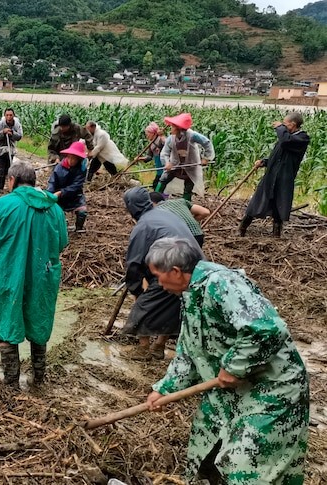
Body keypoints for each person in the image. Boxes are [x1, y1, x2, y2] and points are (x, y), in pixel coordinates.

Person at [145, 237, 309, 484]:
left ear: (176, 272)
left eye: (158, 275)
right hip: (228, 392)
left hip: (271, 390)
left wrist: (234, 366)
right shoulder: (191, 294)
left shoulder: (222, 284)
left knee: (250, 466)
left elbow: (267, 329)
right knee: (206, 451)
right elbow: (190, 353)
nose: (158, 283)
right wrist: (164, 390)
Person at [0, 163, 68, 390]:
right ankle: (38, 379)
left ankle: (10, 383)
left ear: (12, 180)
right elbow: (62, 243)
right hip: (43, 275)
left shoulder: (1, 205)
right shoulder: (54, 208)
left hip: (9, 273)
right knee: (39, 319)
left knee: (8, 320)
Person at [121, 187, 202, 360]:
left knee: (143, 306)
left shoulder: (143, 226)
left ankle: (143, 349)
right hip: (195, 267)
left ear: (131, 207)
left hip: (175, 267)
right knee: (173, 306)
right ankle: (159, 346)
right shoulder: (165, 214)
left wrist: (136, 291)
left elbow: (134, 265)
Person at [240, 112, 310, 238]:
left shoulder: (301, 138)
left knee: (279, 206)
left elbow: (285, 141)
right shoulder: (286, 138)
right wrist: (264, 162)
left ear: (293, 125)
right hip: (271, 176)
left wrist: (279, 127)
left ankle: (276, 235)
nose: (283, 126)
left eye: (285, 124)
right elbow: (277, 156)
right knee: (256, 202)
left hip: (284, 179)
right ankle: (242, 229)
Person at [156, 112, 214, 201]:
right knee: (163, 180)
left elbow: (206, 143)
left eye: (172, 126)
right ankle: (155, 200)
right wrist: (167, 163)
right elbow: (164, 153)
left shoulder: (192, 135)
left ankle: (186, 204)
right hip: (175, 164)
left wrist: (206, 158)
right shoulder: (171, 138)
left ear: (178, 128)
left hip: (191, 165)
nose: (170, 128)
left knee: (188, 187)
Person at [47, 140, 89, 232]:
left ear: (79, 159)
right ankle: (61, 223)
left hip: (75, 196)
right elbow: (52, 182)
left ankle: (78, 228)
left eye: (74, 158)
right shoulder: (59, 167)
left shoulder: (82, 169)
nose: (71, 160)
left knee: (82, 211)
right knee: (54, 211)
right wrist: (50, 194)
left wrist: (61, 192)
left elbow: (76, 186)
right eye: (69, 157)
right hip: (60, 198)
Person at [0, 108, 23, 194]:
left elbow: (19, 136)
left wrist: (12, 133)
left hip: (11, 150)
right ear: (4, 116)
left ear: (13, 116)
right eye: (7, 115)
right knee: (1, 169)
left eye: (10, 115)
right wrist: (3, 132)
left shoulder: (17, 125)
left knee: (8, 170)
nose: (9, 117)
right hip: (0, 150)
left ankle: (10, 187)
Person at [139, 122, 167, 190]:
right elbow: (149, 157)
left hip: (164, 164)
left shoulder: (160, 140)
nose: (147, 136)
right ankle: (160, 197)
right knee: (157, 183)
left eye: (147, 134)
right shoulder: (151, 144)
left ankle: (160, 197)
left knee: (159, 183)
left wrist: (162, 135)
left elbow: (168, 144)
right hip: (158, 165)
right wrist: (139, 158)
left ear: (152, 133)